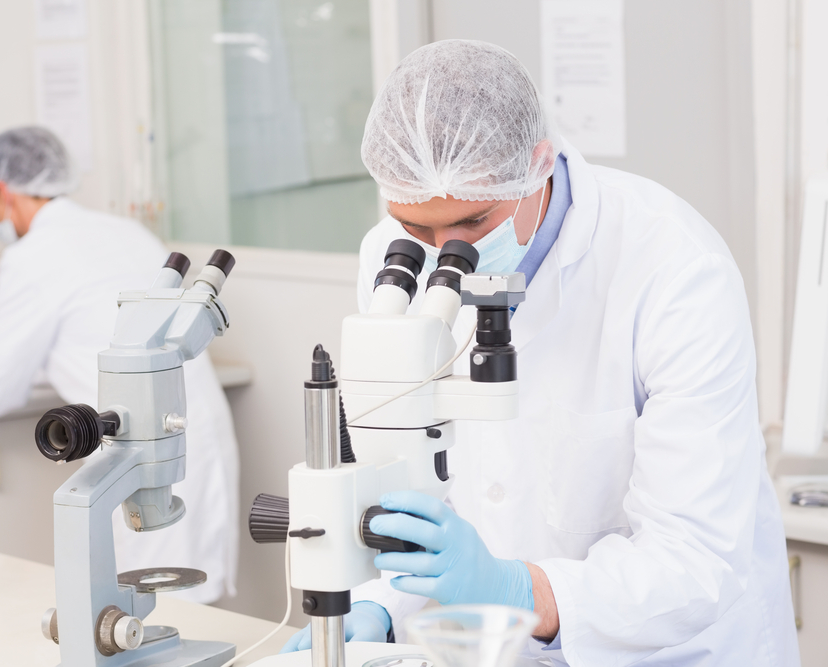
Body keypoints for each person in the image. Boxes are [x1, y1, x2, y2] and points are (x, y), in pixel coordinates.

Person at [282, 40, 798, 665]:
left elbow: (695, 561)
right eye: (419, 231)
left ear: (539, 164)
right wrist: (381, 605)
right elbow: (412, 484)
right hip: (496, 646)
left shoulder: (677, 270)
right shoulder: (388, 257)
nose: (446, 255)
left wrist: (514, 587)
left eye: (472, 225)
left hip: (672, 648)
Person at [0, 127, 239, 604]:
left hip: (144, 452)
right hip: (197, 434)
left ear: (1, 191)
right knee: (189, 606)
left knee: (149, 612)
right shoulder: (124, 230)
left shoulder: (32, 256)